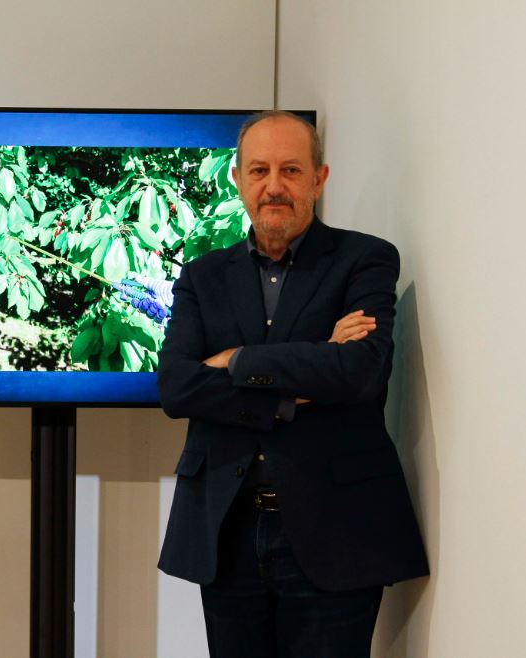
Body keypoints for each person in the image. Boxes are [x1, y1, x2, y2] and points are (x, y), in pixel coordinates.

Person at [156, 111, 428, 657]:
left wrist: (234, 360)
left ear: (319, 178)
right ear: (237, 179)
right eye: (258, 170)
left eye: (291, 170)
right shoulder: (202, 276)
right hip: (226, 529)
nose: (273, 186)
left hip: (338, 529)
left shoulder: (365, 259)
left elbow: (358, 373)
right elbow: (177, 387)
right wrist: (297, 379)